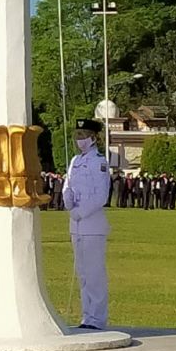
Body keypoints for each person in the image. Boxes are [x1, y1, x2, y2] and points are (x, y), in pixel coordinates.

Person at [62, 119, 111, 330]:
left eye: (83, 135)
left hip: (92, 224)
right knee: (82, 273)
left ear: (94, 138)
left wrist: (80, 212)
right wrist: (69, 204)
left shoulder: (99, 162)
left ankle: (97, 318)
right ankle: (86, 316)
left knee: (94, 274)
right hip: (77, 224)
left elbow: (100, 195)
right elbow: (68, 185)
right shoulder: (75, 161)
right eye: (78, 135)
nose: (79, 139)